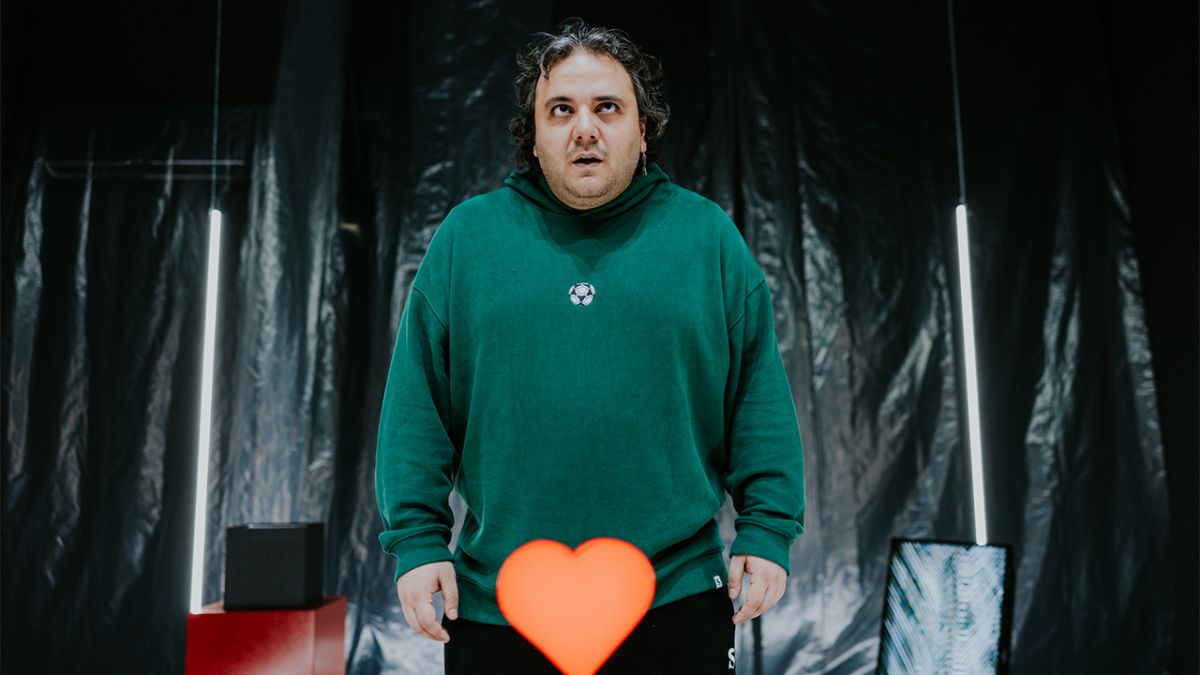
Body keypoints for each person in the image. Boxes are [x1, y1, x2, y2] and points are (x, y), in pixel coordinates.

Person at [376, 18, 805, 674]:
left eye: (607, 107)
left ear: (643, 128)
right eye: (561, 110)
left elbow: (758, 399)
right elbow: (416, 408)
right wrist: (416, 541)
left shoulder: (706, 238)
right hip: (499, 605)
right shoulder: (468, 239)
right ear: (533, 135)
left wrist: (768, 529)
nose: (585, 128)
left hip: (676, 597)